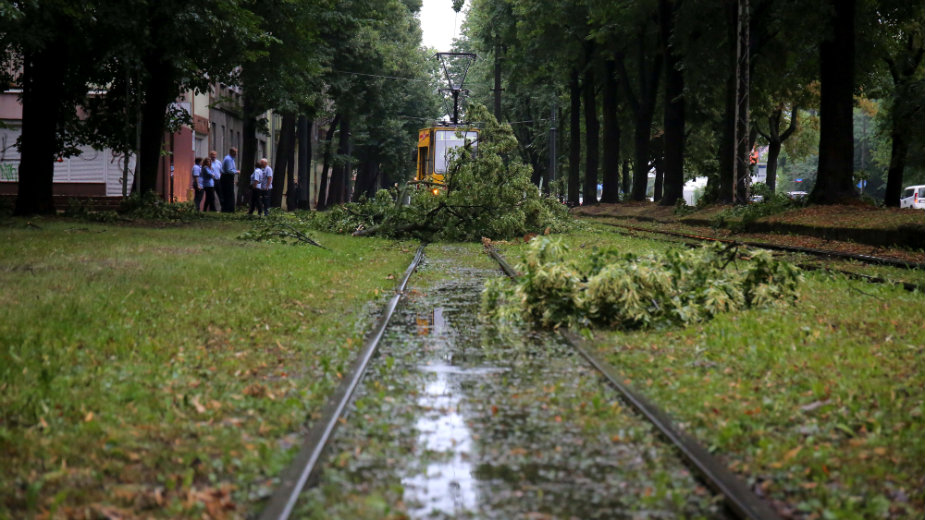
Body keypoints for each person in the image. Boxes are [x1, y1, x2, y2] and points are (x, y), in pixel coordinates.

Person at [220, 147, 238, 213]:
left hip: (229, 177)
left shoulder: (231, 159)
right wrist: (236, 172)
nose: (236, 154)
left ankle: (230, 209)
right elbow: (228, 170)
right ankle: (227, 209)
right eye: (235, 153)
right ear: (231, 152)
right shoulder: (228, 159)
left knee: (230, 193)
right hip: (227, 178)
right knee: (228, 193)